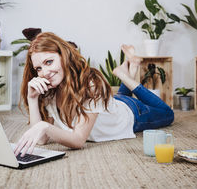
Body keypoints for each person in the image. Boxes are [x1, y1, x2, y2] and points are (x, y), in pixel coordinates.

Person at [14, 32, 174, 157]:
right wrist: (32, 98)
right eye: (39, 68)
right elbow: (41, 139)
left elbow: (78, 140)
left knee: (168, 114)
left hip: (131, 113)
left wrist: (44, 125)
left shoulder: (91, 84)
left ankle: (124, 75)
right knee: (116, 99)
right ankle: (129, 69)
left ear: (64, 56)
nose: (45, 73)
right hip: (109, 105)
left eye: (49, 62)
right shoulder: (49, 90)